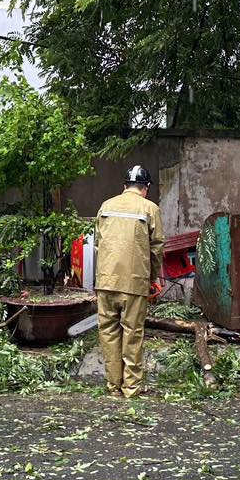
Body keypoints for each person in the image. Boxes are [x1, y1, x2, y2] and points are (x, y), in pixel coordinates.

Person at [94, 164, 165, 398]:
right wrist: (153, 278)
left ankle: (113, 386)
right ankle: (131, 388)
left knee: (108, 332)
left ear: (124, 186)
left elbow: (98, 244)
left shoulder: (106, 205)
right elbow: (156, 249)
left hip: (105, 280)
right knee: (132, 333)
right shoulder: (150, 208)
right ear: (145, 188)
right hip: (134, 282)